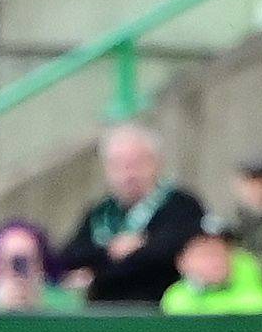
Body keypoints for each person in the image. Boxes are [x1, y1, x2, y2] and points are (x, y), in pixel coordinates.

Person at [62, 123, 206, 303]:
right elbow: (70, 257)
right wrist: (110, 251)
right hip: (103, 310)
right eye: (119, 165)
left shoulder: (181, 205)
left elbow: (164, 255)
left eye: (137, 163)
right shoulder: (101, 213)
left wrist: (98, 271)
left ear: (157, 163)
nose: (128, 174)